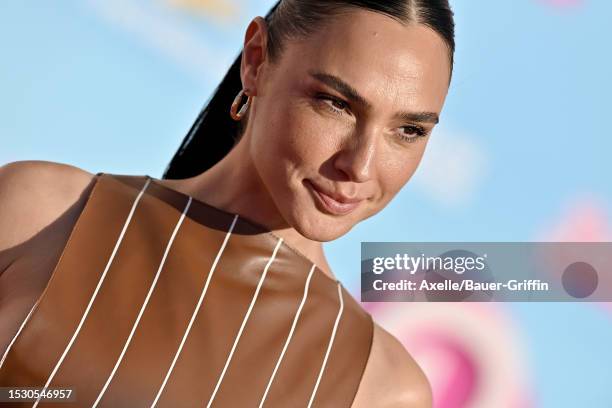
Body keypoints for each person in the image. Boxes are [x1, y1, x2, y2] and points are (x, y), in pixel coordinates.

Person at [0, 0, 454, 406]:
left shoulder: (384, 389)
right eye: (336, 103)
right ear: (256, 60)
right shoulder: (40, 213)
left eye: (409, 131)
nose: (360, 165)